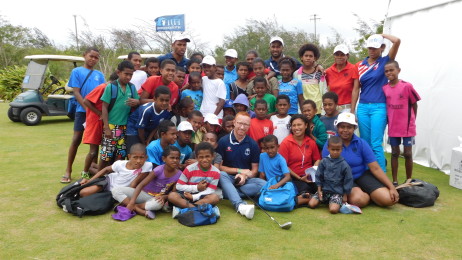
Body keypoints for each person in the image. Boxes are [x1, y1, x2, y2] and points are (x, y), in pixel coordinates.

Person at [322, 112, 399, 208]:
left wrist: (391, 187)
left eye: (349, 127)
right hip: (343, 179)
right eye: (342, 127)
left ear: (354, 128)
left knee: (389, 199)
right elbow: (328, 169)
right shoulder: (330, 144)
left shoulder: (361, 143)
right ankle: (367, 195)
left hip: (362, 175)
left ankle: (368, 193)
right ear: (337, 127)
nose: (345, 130)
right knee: (359, 200)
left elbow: (375, 168)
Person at [351, 34, 401, 172]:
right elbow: (356, 89)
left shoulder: (386, 61)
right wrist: (352, 110)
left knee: (376, 143)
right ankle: (368, 173)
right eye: (370, 48)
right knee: (365, 143)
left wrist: (382, 35)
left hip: (379, 106)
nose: (372, 50)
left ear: (382, 48)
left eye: (375, 47)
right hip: (362, 107)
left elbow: (397, 41)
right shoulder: (359, 65)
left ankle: (382, 176)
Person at [61, 47, 105, 183]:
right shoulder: (77, 71)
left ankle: (93, 167)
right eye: (91, 56)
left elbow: (103, 93)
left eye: (96, 57)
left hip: (96, 113)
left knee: (95, 142)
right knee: (76, 139)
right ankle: (68, 170)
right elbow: (76, 92)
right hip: (82, 111)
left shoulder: (99, 74)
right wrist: (87, 108)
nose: (93, 59)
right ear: (84, 55)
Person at [217, 112, 266, 219]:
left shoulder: (252, 144)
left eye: (246, 124)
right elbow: (219, 167)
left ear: (249, 126)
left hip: (245, 180)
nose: (242, 127)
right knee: (221, 174)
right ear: (234, 122)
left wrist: (244, 176)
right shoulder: (223, 141)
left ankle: (228, 193)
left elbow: (254, 171)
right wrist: (239, 171)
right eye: (239, 123)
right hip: (228, 178)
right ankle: (240, 205)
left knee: (263, 184)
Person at [112, 145, 182, 219]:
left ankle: (133, 206)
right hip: (143, 194)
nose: (175, 160)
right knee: (115, 190)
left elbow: (173, 193)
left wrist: (164, 197)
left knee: (157, 205)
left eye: (177, 158)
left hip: (156, 198)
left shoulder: (179, 174)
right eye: (172, 158)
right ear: (164, 159)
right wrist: (132, 202)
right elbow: (140, 185)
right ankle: (137, 209)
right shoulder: (158, 170)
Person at [382, 60, 421, 185]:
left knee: (408, 153)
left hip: (407, 127)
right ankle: (394, 181)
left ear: (398, 70)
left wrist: (412, 120)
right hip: (393, 127)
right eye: (386, 71)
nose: (389, 73)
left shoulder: (407, 86)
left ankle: (408, 179)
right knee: (394, 153)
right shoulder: (385, 89)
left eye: (391, 70)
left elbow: (414, 104)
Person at [99, 61, 140, 170]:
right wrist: (106, 127)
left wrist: (136, 102)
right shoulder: (111, 87)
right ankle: (98, 175)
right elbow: (104, 107)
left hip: (125, 126)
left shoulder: (131, 87)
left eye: (131, 74)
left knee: (121, 153)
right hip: (112, 126)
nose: (128, 77)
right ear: (118, 72)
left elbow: (137, 101)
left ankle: (115, 175)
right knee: (106, 154)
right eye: (126, 74)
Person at [79, 143, 151, 198]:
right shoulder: (120, 164)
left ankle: (92, 166)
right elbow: (106, 169)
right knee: (83, 193)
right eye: (135, 157)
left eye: (141, 158)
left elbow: (133, 184)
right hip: (108, 182)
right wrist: (90, 181)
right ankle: (91, 167)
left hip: (116, 191)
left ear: (146, 158)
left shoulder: (147, 166)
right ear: (129, 157)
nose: (138, 161)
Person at [279, 115, 321, 206]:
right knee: (305, 189)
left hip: (310, 177)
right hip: (294, 177)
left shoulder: (311, 142)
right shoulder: (286, 143)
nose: (296, 128)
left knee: (322, 187)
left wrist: (313, 171)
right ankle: (307, 198)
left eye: (299, 125)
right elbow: (284, 166)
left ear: (306, 125)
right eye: (294, 125)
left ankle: (314, 198)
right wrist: (299, 178)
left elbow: (317, 159)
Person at [169, 142, 221, 215]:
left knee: (214, 197)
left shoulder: (216, 172)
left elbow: (211, 190)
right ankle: (199, 210)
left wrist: (194, 197)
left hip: (202, 198)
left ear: (213, 156)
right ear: (196, 157)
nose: (204, 160)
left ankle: (184, 211)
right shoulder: (189, 169)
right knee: (172, 196)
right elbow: (179, 186)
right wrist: (196, 188)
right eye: (201, 157)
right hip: (186, 196)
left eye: (207, 156)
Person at [81, 72, 118, 176]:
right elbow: (86, 101)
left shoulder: (111, 89)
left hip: (102, 122)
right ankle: (85, 172)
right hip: (94, 122)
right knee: (93, 150)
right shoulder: (103, 87)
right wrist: (99, 113)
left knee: (103, 150)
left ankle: (95, 168)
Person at [309, 136, 353, 214]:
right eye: (333, 149)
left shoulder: (344, 164)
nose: (335, 152)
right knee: (311, 204)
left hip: (337, 192)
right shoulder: (324, 162)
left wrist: (345, 195)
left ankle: (333, 203)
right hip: (324, 191)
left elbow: (348, 180)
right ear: (328, 148)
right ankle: (325, 200)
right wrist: (319, 191)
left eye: (337, 150)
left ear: (341, 149)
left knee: (333, 210)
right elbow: (319, 176)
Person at [125, 86, 171, 152]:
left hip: (147, 130)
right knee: (135, 151)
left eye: (167, 100)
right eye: (161, 100)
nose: (164, 103)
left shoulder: (166, 111)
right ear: (155, 99)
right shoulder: (147, 110)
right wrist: (144, 143)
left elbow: (157, 126)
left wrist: (148, 140)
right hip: (134, 129)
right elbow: (140, 129)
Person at [324, 44, 359, 111]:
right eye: (337, 55)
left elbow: (356, 90)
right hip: (333, 109)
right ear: (334, 56)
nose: (339, 57)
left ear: (347, 56)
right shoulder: (328, 71)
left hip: (348, 108)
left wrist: (352, 110)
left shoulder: (353, 69)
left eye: (342, 55)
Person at [294, 43, 323, 111]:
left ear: (314, 58)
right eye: (306, 56)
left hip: (317, 108)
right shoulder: (296, 74)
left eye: (310, 56)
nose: (308, 58)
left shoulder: (319, 73)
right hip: (303, 109)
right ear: (301, 57)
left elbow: (323, 91)